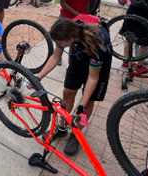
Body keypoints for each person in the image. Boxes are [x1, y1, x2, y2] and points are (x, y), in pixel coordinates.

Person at [36, 17, 112, 156]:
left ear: (69, 38)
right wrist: (38, 76)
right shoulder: (68, 32)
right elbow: (55, 57)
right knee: (68, 92)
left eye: (59, 43)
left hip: (98, 67)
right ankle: (62, 127)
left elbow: (93, 78)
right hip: (79, 57)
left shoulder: (97, 44)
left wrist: (81, 105)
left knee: (87, 102)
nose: (58, 45)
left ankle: (77, 133)